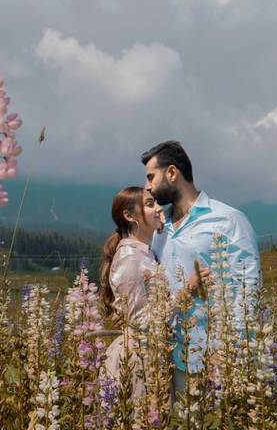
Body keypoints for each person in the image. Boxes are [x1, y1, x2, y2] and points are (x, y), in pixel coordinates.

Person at [141, 141, 261, 392]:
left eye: (152, 177)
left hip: (217, 356)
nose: (148, 187)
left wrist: (230, 351)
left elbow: (248, 286)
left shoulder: (228, 219)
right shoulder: (161, 229)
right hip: (172, 357)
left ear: (172, 173)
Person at [98, 186, 205, 393]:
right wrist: (186, 291)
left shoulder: (144, 252)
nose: (158, 208)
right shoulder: (130, 258)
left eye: (156, 202)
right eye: (149, 204)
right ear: (129, 216)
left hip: (152, 353)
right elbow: (141, 322)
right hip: (138, 359)